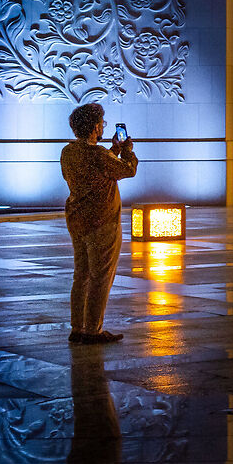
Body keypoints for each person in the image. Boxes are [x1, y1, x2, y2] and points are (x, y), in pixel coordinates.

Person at [61, 102, 138, 344]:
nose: (103, 127)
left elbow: (98, 166)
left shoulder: (68, 152)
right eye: (102, 124)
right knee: (100, 276)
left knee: (81, 274)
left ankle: (77, 327)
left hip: (77, 220)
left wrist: (112, 150)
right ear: (95, 127)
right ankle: (93, 330)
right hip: (102, 221)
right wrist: (127, 151)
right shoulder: (98, 155)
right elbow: (127, 170)